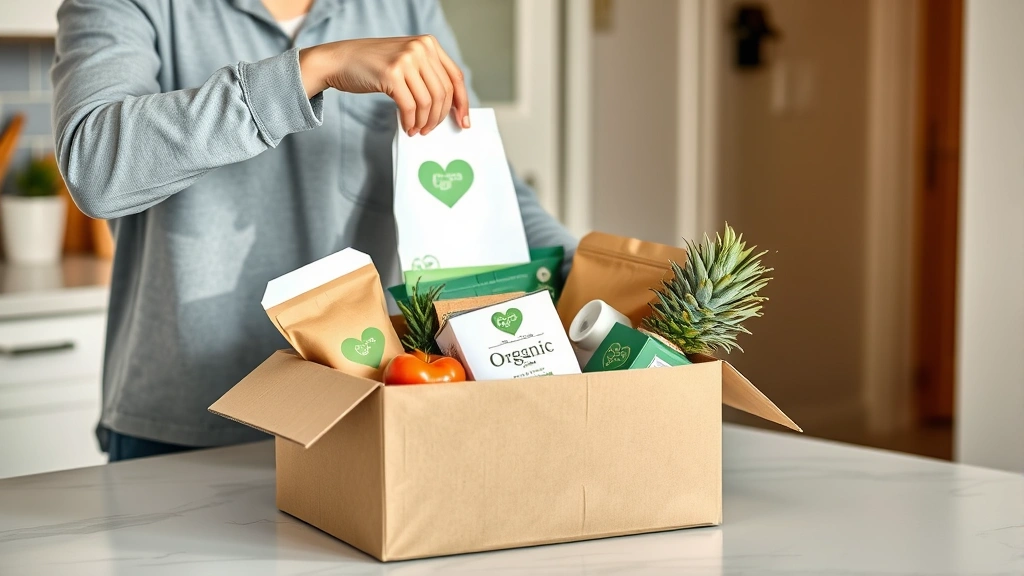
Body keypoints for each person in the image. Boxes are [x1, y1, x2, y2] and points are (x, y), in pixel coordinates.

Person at [52, 0, 576, 461]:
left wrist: (585, 265)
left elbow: (480, 179)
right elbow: (93, 168)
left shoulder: (405, 6)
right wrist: (314, 69)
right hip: (183, 428)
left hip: (358, 416)